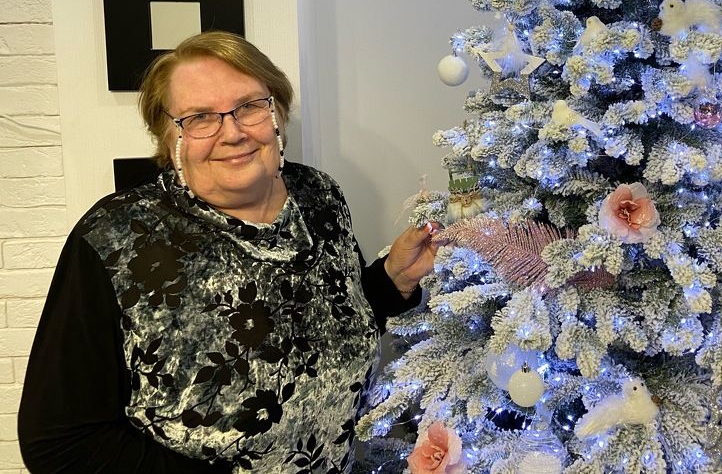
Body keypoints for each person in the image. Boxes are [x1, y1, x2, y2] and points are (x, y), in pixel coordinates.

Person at [18, 31, 438, 472]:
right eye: (200, 117)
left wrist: (393, 279)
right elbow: (60, 441)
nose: (233, 133)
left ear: (277, 112)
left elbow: (333, 317)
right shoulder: (116, 236)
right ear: (168, 136)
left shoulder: (318, 195)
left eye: (249, 106)